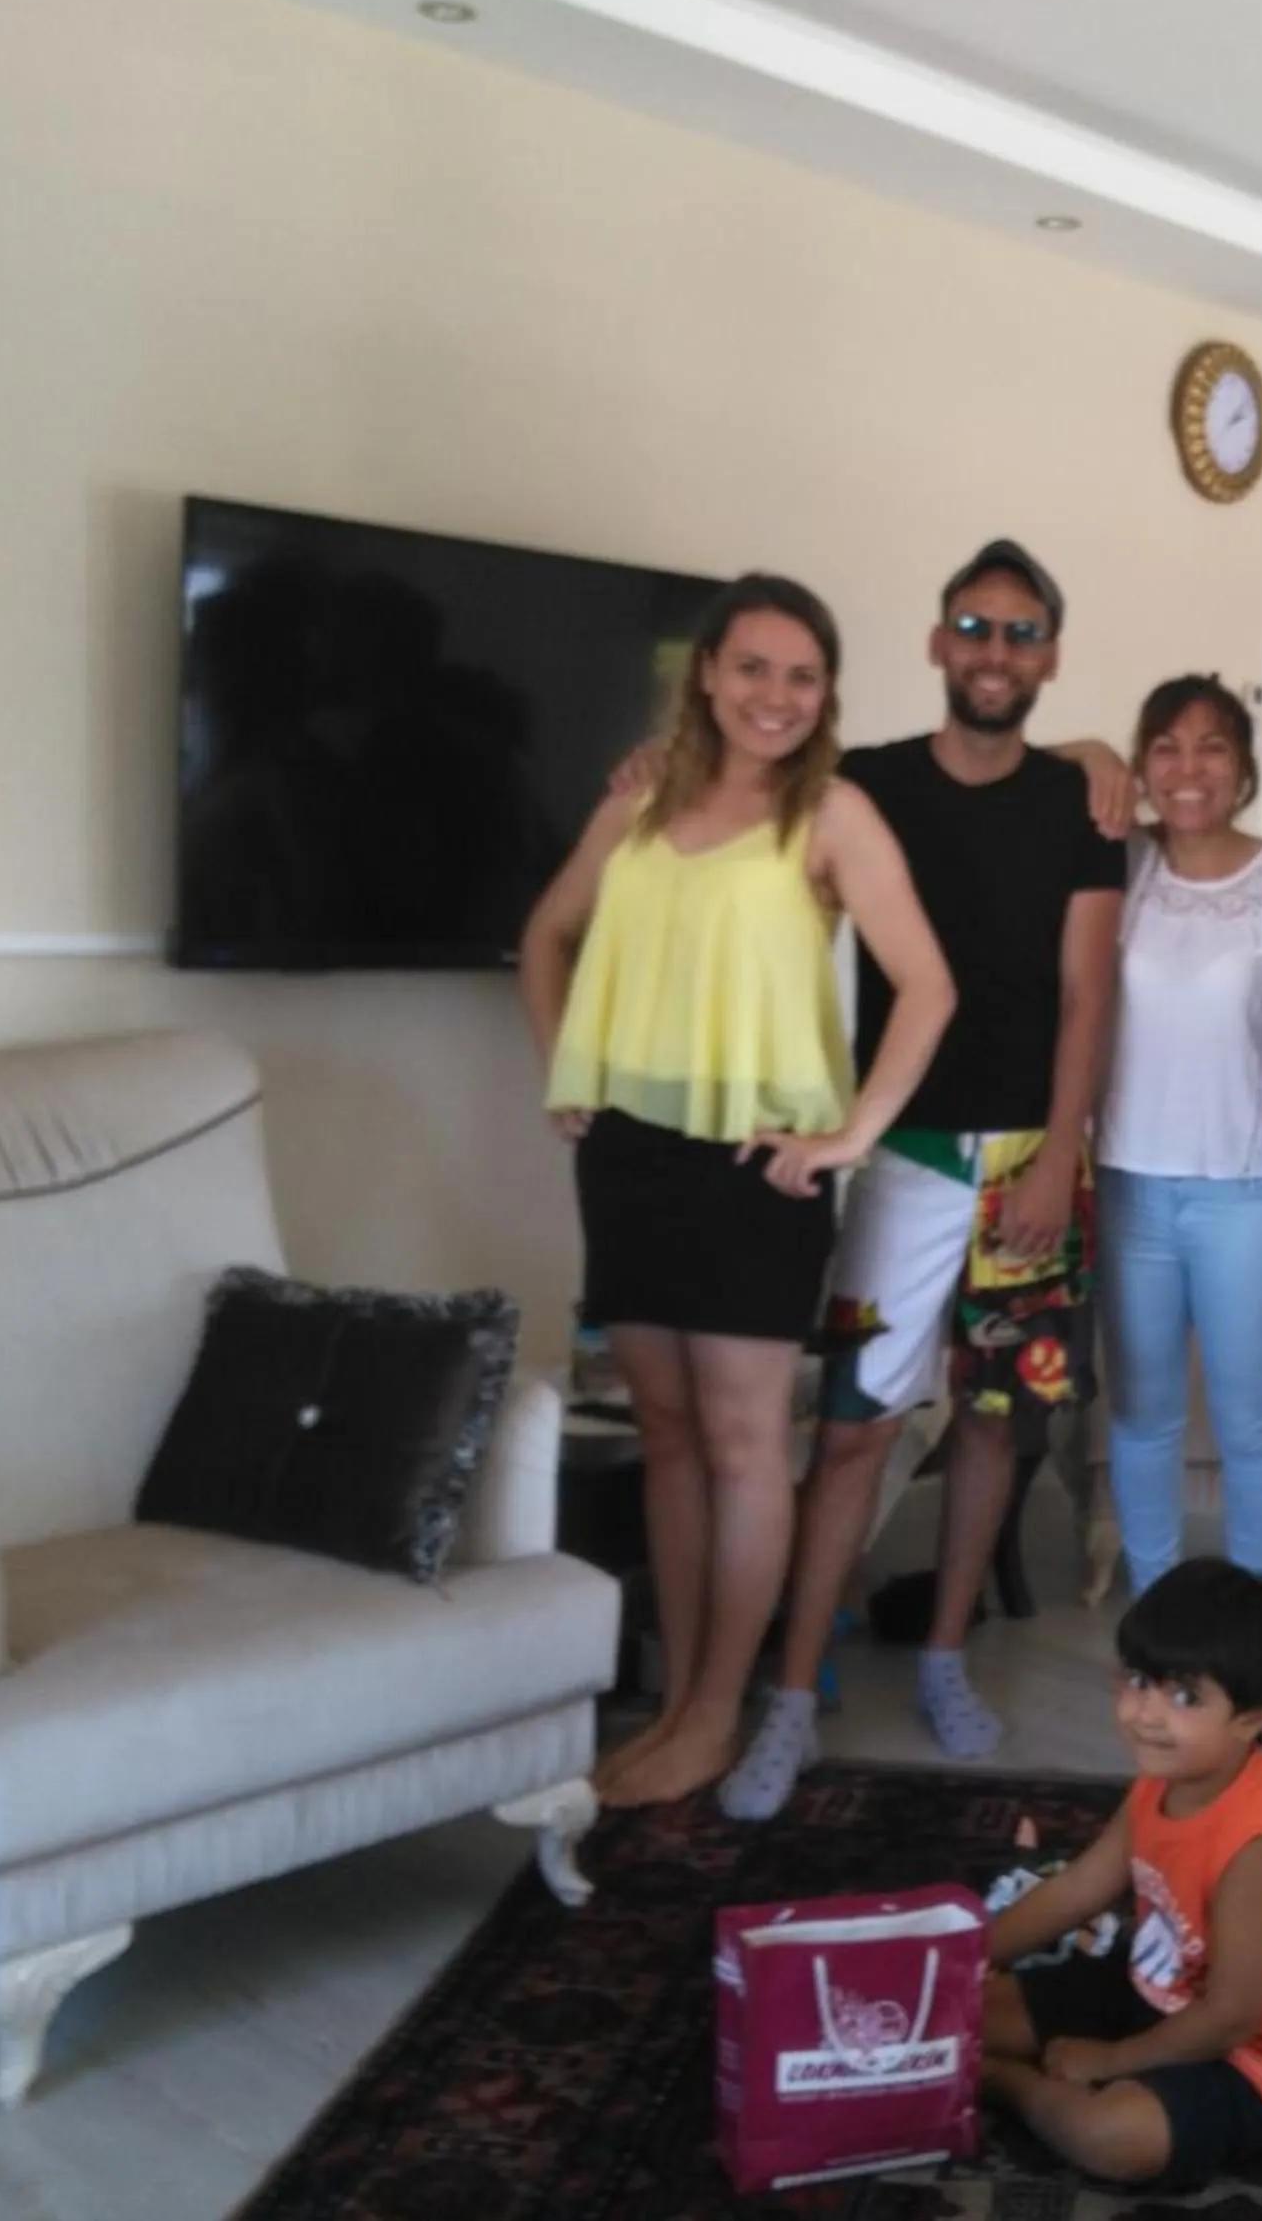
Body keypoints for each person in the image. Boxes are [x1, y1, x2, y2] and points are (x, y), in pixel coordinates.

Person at [522, 573, 954, 1809]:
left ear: (824, 697)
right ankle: (674, 1707)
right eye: (753, 667)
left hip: (760, 1163)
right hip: (631, 1153)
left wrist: (853, 1133)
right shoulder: (640, 800)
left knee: (748, 1441)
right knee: (665, 1434)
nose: (775, 695)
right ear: (707, 671)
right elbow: (548, 932)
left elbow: (927, 985)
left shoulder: (833, 815)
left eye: (801, 675)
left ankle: (720, 1710)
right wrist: (564, 1064)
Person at [719, 539, 1128, 1821]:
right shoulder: (867, 785)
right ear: (940, 644)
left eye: (1020, 634)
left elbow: (1088, 993)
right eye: (974, 627)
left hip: (1029, 1160)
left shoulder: (1080, 809)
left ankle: (946, 1657)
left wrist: (1063, 1150)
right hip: (897, 1151)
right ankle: (790, 1693)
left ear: (1048, 658)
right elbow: (736, 798)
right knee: (856, 1427)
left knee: (999, 1421)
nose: (995, 653)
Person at [981, 1559, 1262, 2192]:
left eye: (1184, 1696)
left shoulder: (1261, 1851)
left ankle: (1002, 2082)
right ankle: (1005, 2055)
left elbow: (1233, 2015)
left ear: (1251, 1719)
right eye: (1137, 1681)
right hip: (1158, 1987)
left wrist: (1110, 2060)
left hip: (1255, 2056)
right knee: (967, 2008)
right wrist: (965, 1956)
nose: (1145, 1713)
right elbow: (1080, 1887)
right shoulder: (1162, 1779)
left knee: (1114, 2138)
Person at [1096, 677, 1262, 1591]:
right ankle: (1154, 1606)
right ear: (1144, 766)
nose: (1189, 767)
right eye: (1166, 747)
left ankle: (1251, 1614)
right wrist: (1096, 757)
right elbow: (1050, 765)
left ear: (1243, 770)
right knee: (1143, 1414)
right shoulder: (1122, 866)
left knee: (1251, 1422)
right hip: (1128, 1185)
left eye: (1212, 746)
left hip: (1252, 1192)